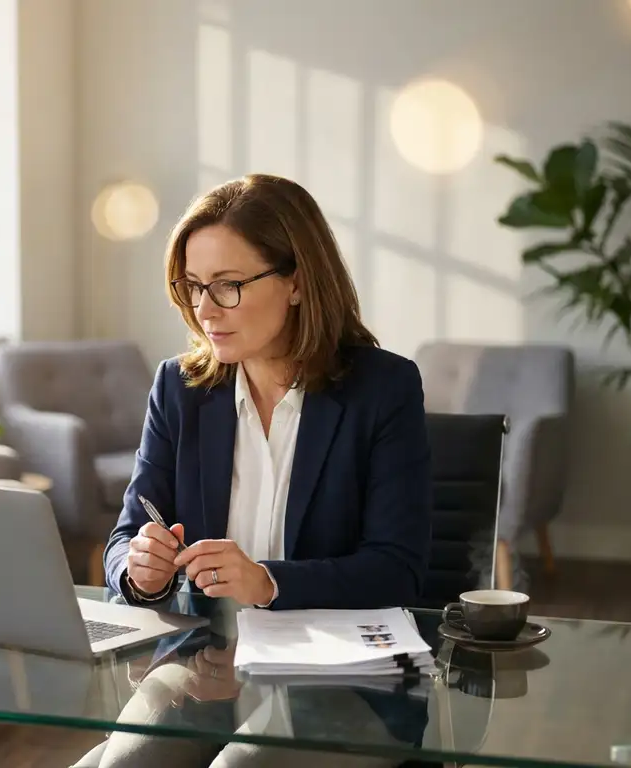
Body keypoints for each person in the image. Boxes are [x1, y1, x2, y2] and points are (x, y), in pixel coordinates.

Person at [92, 174, 433, 768]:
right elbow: (124, 541)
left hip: (346, 675)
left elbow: (396, 570)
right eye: (193, 286)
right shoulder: (180, 389)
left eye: (227, 287)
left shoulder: (384, 389)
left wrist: (268, 583)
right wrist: (140, 572)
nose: (203, 310)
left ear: (297, 282)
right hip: (207, 663)